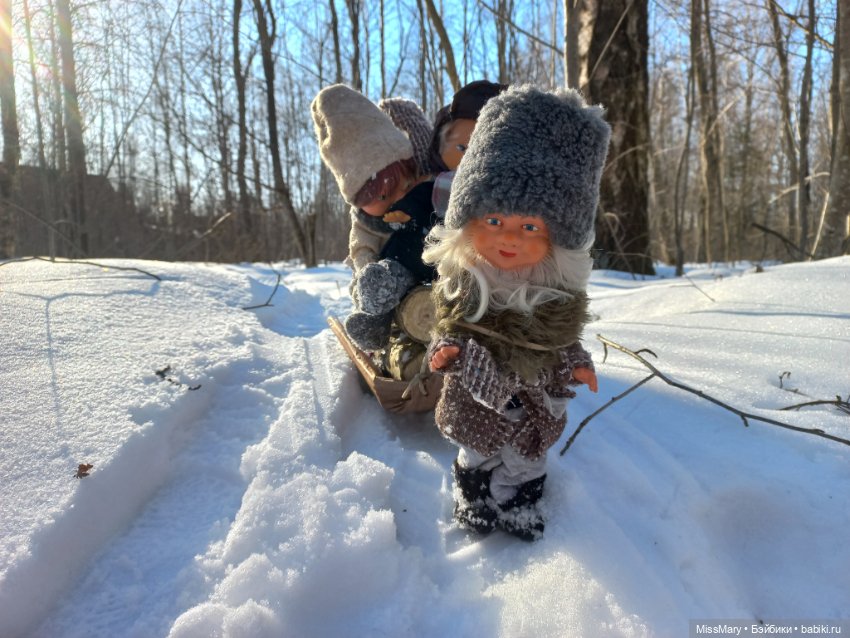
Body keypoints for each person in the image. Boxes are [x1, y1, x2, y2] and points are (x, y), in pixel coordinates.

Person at [423, 85, 611, 541]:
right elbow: (449, 328)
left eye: (530, 227)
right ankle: (473, 497)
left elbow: (560, 340)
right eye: (493, 222)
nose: (509, 239)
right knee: (476, 451)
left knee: (525, 459)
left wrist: (577, 364)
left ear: (557, 236)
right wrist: (446, 350)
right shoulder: (466, 288)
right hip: (477, 398)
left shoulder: (554, 297)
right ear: (466, 223)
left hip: (531, 405)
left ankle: (518, 503)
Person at [311, 85, 440, 353]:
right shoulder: (365, 223)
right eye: (380, 196)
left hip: (438, 274)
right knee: (380, 292)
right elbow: (362, 248)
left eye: (404, 185)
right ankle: (385, 331)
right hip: (394, 290)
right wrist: (367, 273)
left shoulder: (429, 187)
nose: (396, 199)